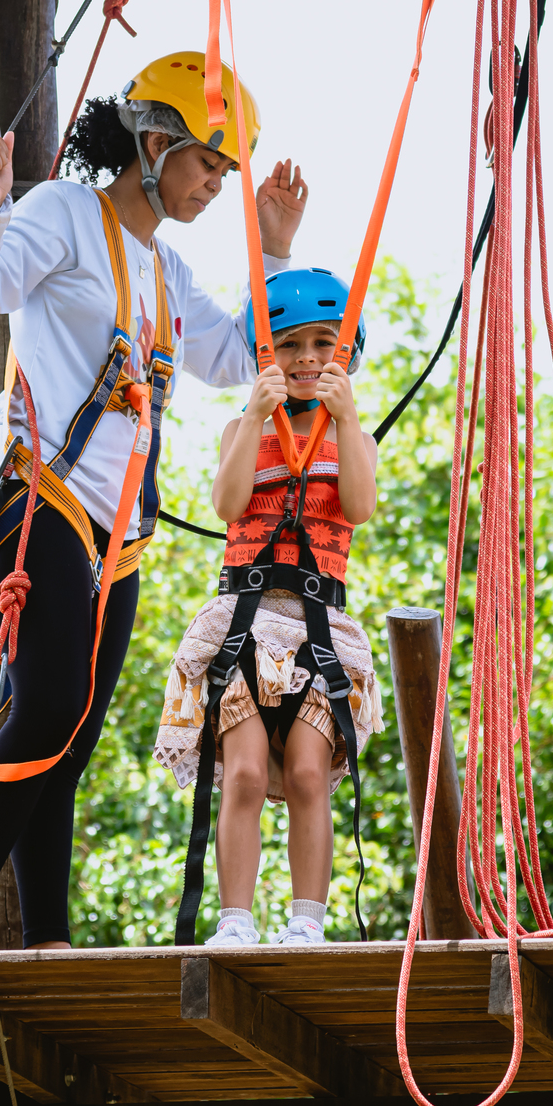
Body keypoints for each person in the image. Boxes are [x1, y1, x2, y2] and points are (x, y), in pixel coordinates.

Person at [0, 53, 307, 951]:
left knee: (73, 734)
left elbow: (237, 357)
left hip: (113, 532)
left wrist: (274, 249)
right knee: (50, 703)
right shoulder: (65, 211)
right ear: (154, 144)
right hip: (32, 494)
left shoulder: (165, 271)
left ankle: (47, 938)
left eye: (225, 170)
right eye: (207, 163)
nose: (215, 184)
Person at [155, 270, 384, 947]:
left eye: (323, 344)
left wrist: (347, 419)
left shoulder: (353, 436)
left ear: (346, 352)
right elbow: (227, 506)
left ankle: (307, 922)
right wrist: (255, 416)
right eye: (289, 345)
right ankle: (235, 921)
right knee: (247, 773)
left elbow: (358, 508)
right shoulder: (242, 428)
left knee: (310, 771)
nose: (307, 358)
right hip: (245, 622)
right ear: (264, 356)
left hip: (318, 627)